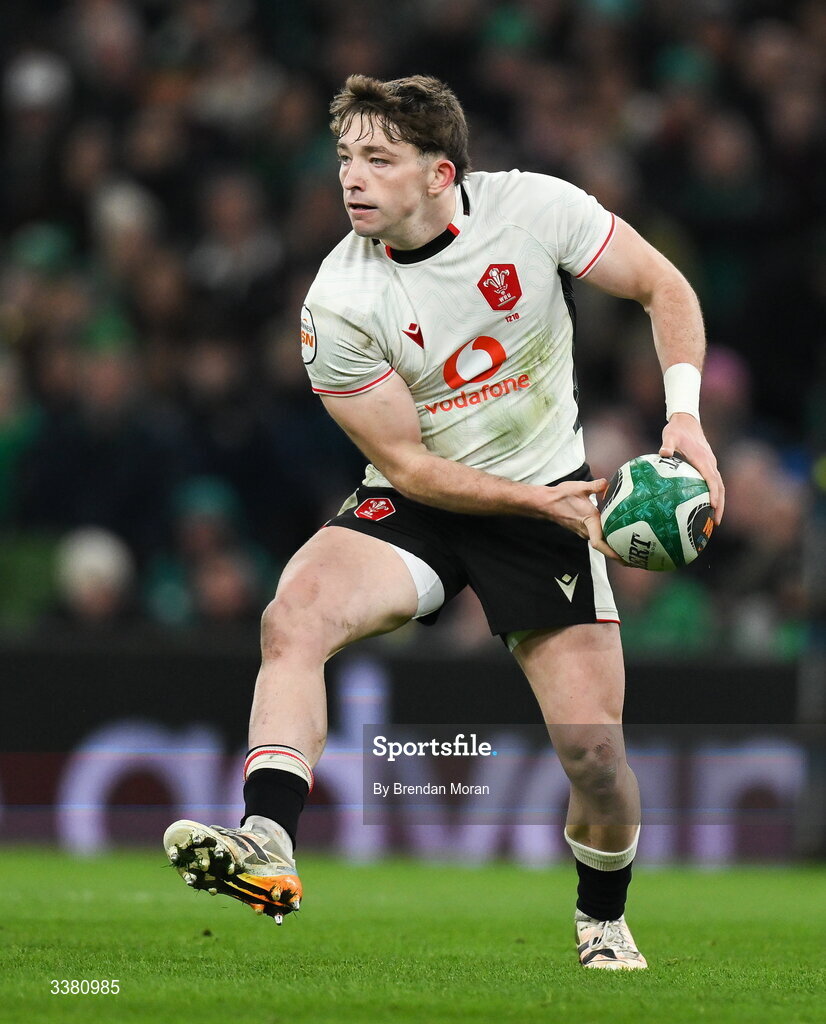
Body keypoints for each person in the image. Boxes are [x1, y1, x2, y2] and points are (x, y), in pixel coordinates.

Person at [164, 75, 724, 969]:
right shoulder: (337, 301)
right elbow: (414, 466)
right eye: (345, 157)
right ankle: (267, 838)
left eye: (378, 159)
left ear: (440, 172)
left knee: (596, 764)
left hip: (549, 500)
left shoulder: (534, 210)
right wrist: (541, 501)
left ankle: (602, 920)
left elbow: (664, 288)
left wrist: (685, 418)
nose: (352, 177)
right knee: (293, 616)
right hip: (423, 499)